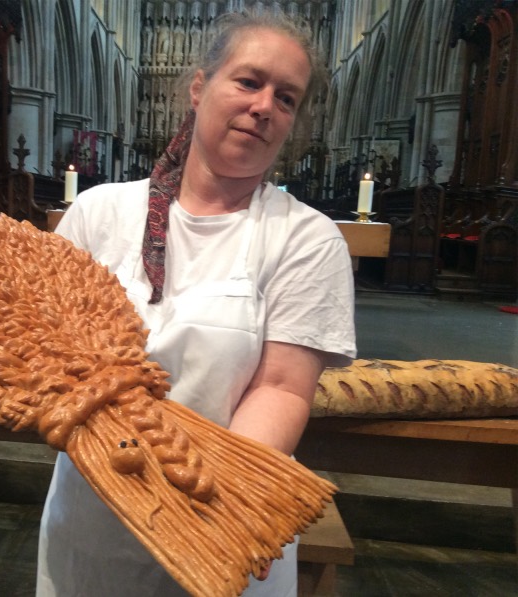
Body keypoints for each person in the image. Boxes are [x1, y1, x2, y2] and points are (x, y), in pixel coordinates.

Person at [36, 9, 356, 597]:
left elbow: (282, 388)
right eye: (249, 81)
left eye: (286, 98)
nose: (264, 105)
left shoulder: (306, 238)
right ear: (199, 86)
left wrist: (208, 502)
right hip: (92, 520)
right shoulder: (99, 214)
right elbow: (45, 352)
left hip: (223, 519)